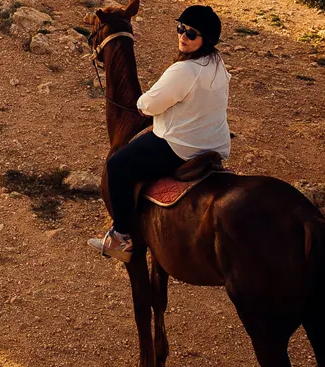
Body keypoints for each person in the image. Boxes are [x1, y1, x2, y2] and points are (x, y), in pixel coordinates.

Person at [89, 5, 232, 262]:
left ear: (206, 40)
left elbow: (146, 105)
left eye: (191, 34)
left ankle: (121, 236)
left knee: (117, 164)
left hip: (181, 146)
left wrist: (154, 97)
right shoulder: (217, 63)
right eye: (180, 28)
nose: (183, 37)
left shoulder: (183, 70)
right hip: (214, 144)